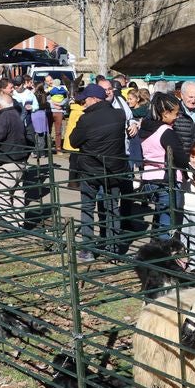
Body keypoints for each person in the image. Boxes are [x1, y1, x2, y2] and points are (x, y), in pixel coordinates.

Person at [69, 83, 129, 262]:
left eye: (85, 100)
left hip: (90, 170)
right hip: (114, 170)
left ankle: (87, 249)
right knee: (112, 208)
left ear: (94, 99)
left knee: (88, 207)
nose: (83, 104)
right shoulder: (119, 115)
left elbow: (73, 141)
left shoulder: (86, 119)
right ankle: (114, 248)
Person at [0, 91, 32, 228]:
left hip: (8, 159)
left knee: (2, 193)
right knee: (18, 193)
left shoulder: (4, 116)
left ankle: (11, 223)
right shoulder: (16, 114)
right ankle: (19, 222)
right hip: (20, 159)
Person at [138, 93, 184, 239]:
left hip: (149, 178)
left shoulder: (144, 129)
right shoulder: (166, 132)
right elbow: (180, 156)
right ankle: (163, 256)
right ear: (165, 113)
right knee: (167, 221)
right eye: (175, 113)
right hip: (166, 179)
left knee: (159, 216)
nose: (177, 117)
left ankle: (154, 250)